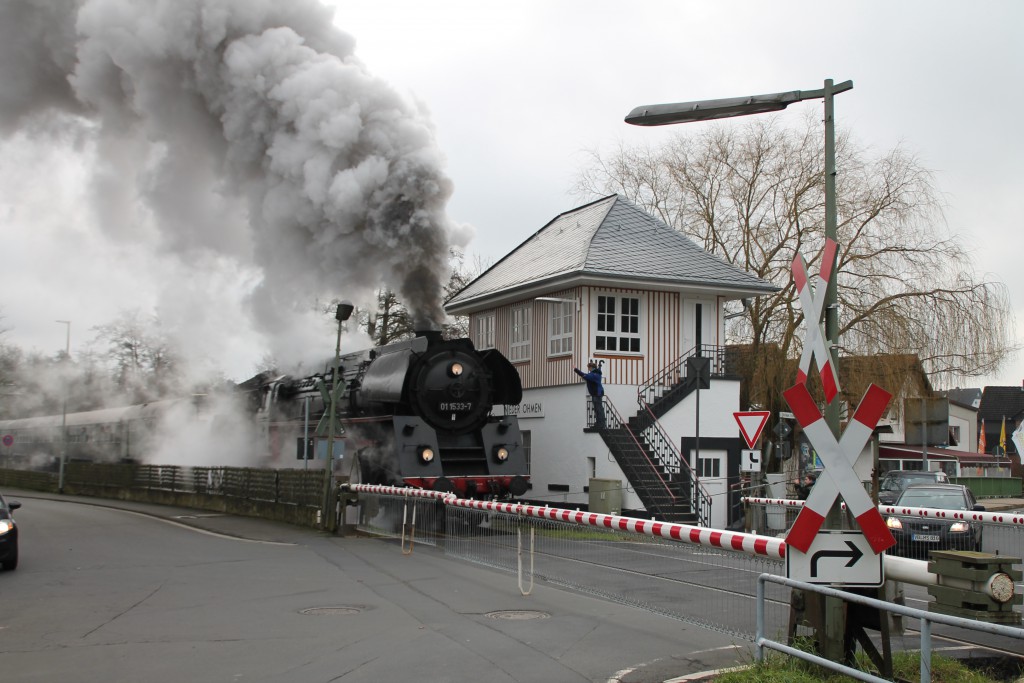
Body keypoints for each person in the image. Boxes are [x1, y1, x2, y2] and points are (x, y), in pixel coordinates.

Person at [573, 361, 606, 430]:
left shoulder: (593, 375)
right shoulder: (598, 372)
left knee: (598, 409)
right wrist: (600, 365)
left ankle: (601, 424)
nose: (588, 369)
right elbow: (599, 369)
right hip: (598, 393)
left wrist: (576, 369)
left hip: (596, 393)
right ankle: (599, 423)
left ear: (591, 367)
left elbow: (584, 375)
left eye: (589, 368)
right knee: (599, 409)